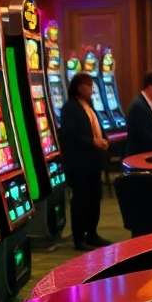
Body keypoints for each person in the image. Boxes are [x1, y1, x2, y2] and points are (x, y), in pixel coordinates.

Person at [58, 72, 111, 250]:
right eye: (89, 85)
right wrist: (92, 141)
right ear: (80, 88)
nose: (92, 88)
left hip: (93, 160)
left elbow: (97, 128)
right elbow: (69, 135)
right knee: (80, 200)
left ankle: (92, 233)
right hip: (79, 162)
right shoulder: (69, 108)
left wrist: (103, 139)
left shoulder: (89, 106)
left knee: (95, 198)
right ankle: (79, 238)